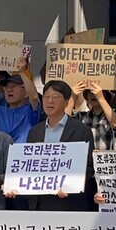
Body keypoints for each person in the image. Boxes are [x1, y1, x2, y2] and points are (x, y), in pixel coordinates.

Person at [21, 80, 96, 211]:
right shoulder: (34, 132)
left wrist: (69, 185)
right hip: (39, 203)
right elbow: (29, 165)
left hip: (69, 202)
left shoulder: (81, 130)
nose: (50, 101)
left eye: (56, 97)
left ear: (67, 102)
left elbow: (88, 168)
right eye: (46, 96)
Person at [0, 66, 41, 143]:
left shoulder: (30, 111)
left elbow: (34, 97)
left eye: (14, 86)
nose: (9, 89)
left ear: (26, 92)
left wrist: (22, 72)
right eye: (7, 87)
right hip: (2, 153)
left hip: (22, 153)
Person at [73, 81, 116, 151]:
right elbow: (64, 123)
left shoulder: (115, 113)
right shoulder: (81, 116)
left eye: (95, 91)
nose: (93, 94)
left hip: (106, 159)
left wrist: (100, 98)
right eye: (89, 92)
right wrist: (72, 97)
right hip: (85, 159)